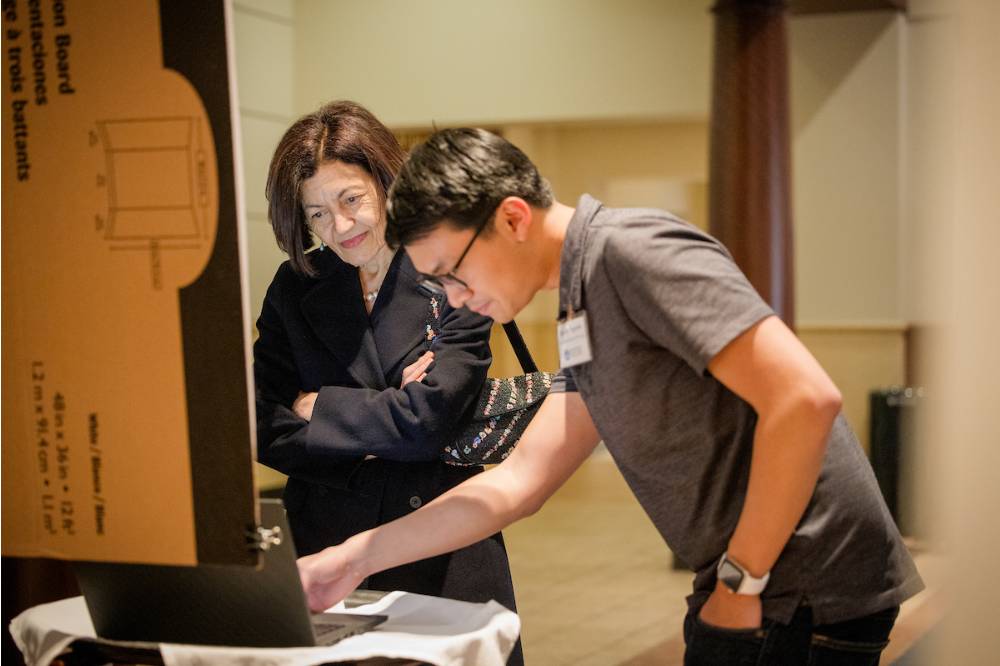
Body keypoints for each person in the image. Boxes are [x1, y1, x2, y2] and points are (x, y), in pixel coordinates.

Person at [297, 128, 924, 665]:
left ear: (512, 219)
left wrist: (741, 582)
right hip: (762, 581)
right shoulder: (582, 297)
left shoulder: (629, 251)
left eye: (451, 273)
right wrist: (353, 559)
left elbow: (805, 400)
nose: (455, 298)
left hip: (799, 583)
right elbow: (520, 481)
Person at [254, 107, 522, 664]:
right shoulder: (296, 286)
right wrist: (389, 416)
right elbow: (261, 422)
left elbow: (428, 423)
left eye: (351, 199)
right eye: (318, 213)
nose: (340, 226)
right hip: (326, 547)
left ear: (384, 182)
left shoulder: (449, 270)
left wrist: (319, 407)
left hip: (440, 545)